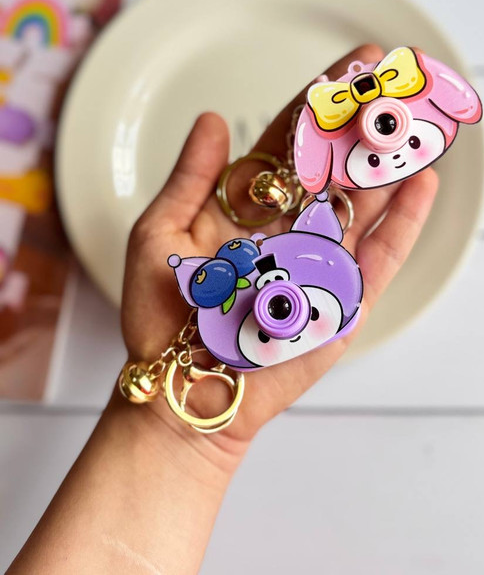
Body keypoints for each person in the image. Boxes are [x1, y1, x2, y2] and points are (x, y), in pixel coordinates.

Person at [8, 45, 438, 574]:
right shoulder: (232, 310)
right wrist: (169, 425)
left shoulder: (304, 272)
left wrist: (171, 427)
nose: (288, 312)